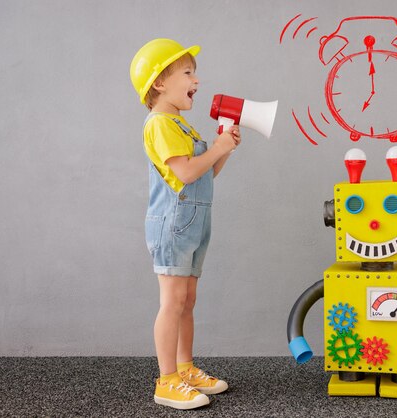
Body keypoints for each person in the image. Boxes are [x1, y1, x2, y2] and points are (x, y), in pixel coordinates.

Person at [130, 38, 240, 410]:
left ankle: (185, 367)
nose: (197, 79)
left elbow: (206, 173)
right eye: (188, 72)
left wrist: (224, 149)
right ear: (160, 82)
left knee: (187, 300)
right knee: (173, 300)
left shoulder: (181, 125)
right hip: (173, 223)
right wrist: (219, 148)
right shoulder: (160, 123)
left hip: (194, 219)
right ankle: (166, 381)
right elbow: (186, 171)